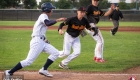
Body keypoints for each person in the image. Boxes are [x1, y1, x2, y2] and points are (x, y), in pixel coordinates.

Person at [4, 2, 66, 79]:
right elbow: (47, 23)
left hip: (41, 41)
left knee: (55, 53)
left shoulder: (44, 16)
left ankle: (44, 69)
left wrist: (44, 39)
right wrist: (58, 20)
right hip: (37, 41)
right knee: (28, 61)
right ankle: (9, 72)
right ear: (47, 10)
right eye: (51, 9)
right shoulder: (43, 16)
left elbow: (40, 31)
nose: (52, 11)